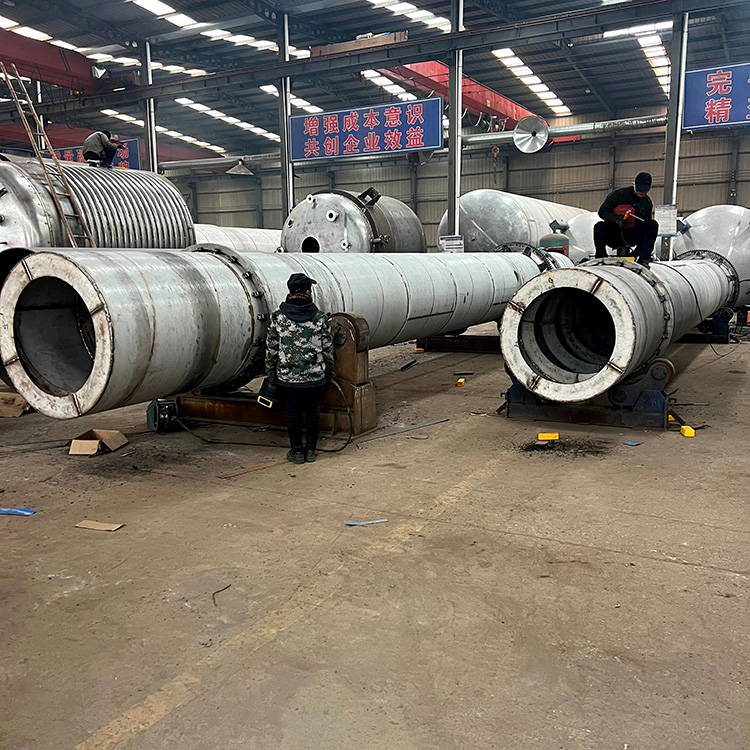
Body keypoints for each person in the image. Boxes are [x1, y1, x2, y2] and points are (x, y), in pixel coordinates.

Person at [265, 273, 334, 464]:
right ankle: (310, 451)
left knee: (292, 413)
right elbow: (328, 349)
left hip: (287, 378)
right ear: (307, 292)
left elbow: (271, 349)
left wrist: (271, 374)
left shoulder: (278, 317)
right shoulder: (319, 317)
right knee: (312, 413)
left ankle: (296, 452)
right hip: (314, 377)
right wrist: (329, 371)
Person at [593, 171, 658, 267]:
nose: (641, 193)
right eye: (639, 189)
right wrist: (616, 220)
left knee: (652, 225)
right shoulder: (619, 194)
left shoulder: (647, 202)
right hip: (615, 234)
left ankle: (644, 259)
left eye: (644, 191)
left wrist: (638, 251)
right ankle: (600, 257)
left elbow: (647, 226)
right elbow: (602, 211)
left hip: (633, 235)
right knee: (599, 226)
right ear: (634, 185)